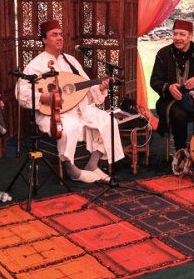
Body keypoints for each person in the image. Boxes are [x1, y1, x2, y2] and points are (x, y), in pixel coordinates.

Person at [16, 20, 123, 183]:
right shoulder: (36, 65)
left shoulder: (71, 61)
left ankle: (92, 165)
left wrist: (100, 88)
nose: (59, 38)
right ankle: (72, 169)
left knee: (109, 121)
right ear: (44, 40)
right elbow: (21, 92)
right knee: (69, 127)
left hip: (80, 108)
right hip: (54, 113)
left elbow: (85, 86)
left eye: (60, 34)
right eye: (54, 35)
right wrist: (43, 97)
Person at [150, 19, 194, 151]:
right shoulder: (163, 54)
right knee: (178, 115)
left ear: (190, 36)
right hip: (171, 100)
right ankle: (180, 150)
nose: (177, 38)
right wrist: (169, 87)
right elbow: (155, 80)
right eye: (175, 34)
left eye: (182, 34)